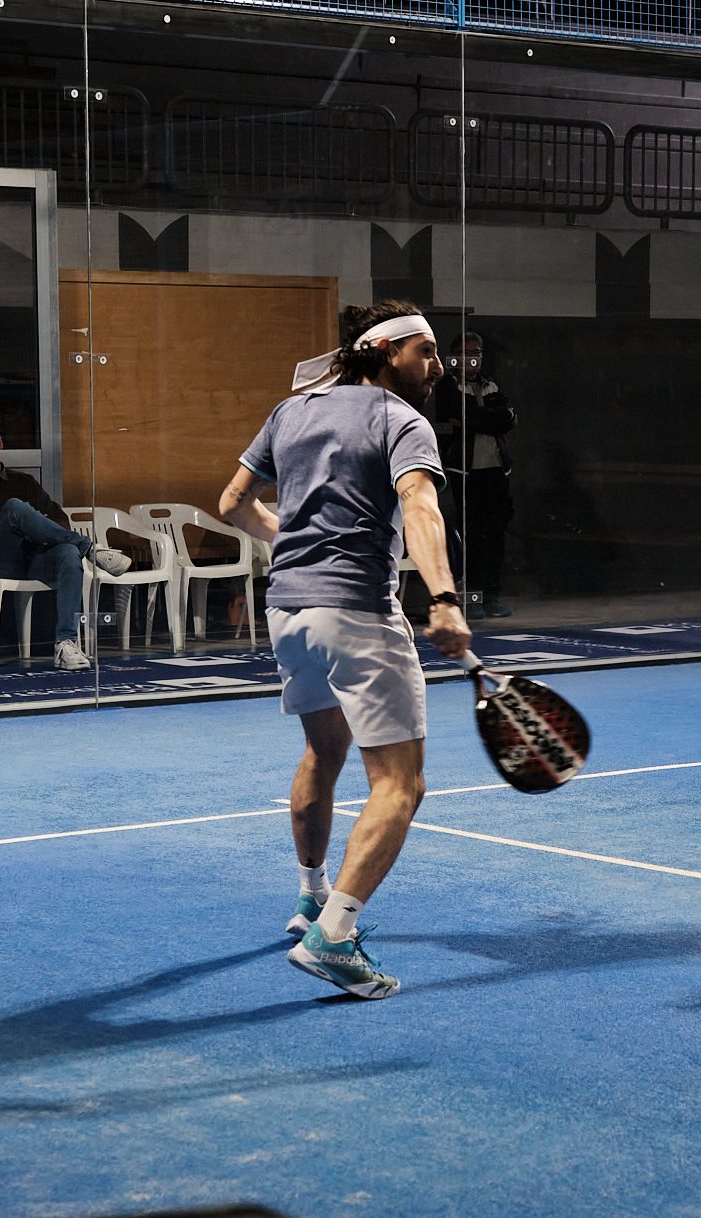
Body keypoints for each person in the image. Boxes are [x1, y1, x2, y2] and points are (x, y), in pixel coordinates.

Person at [218, 300, 470, 1000]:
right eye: (427, 352)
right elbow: (420, 507)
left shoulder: (289, 412)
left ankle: (310, 897)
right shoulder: (402, 420)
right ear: (387, 351)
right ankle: (334, 935)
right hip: (357, 610)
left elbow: (231, 503)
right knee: (401, 784)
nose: (439, 366)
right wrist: (444, 597)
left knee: (323, 751)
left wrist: (296, 542)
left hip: (287, 612)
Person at [0, 419, 131, 671]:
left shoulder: (24, 481)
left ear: (1, 443)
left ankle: (66, 642)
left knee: (68, 552)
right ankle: (90, 548)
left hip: (32, 560)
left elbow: (60, 519)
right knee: (15, 508)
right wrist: (5, 524)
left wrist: (35, 526)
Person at [433, 330, 517, 617]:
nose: (472, 359)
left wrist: (483, 419)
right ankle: (472, 596)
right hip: (465, 472)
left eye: (477, 353)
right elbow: (462, 417)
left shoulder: (490, 384)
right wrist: (487, 418)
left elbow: (508, 418)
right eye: (466, 353)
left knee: (496, 532)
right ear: (454, 357)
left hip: (496, 469)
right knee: (472, 533)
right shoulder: (447, 386)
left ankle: (491, 595)